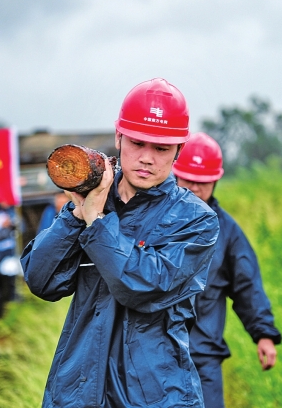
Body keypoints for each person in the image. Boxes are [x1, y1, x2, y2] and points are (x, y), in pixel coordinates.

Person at [20, 78, 220, 408]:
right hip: (77, 391)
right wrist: (75, 213)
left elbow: (142, 287)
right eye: (137, 143)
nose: (146, 158)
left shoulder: (195, 220)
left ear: (178, 151)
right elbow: (42, 281)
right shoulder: (92, 202)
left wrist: (97, 222)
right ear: (119, 137)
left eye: (161, 148)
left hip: (157, 395)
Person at [172, 132, 282, 408]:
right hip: (153, 353)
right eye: (187, 179)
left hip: (203, 356)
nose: (194, 188)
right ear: (174, 175)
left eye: (202, 182)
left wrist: (264, 334)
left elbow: (247, 285)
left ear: (215, 181)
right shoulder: (154, 220)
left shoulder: (228, 232)